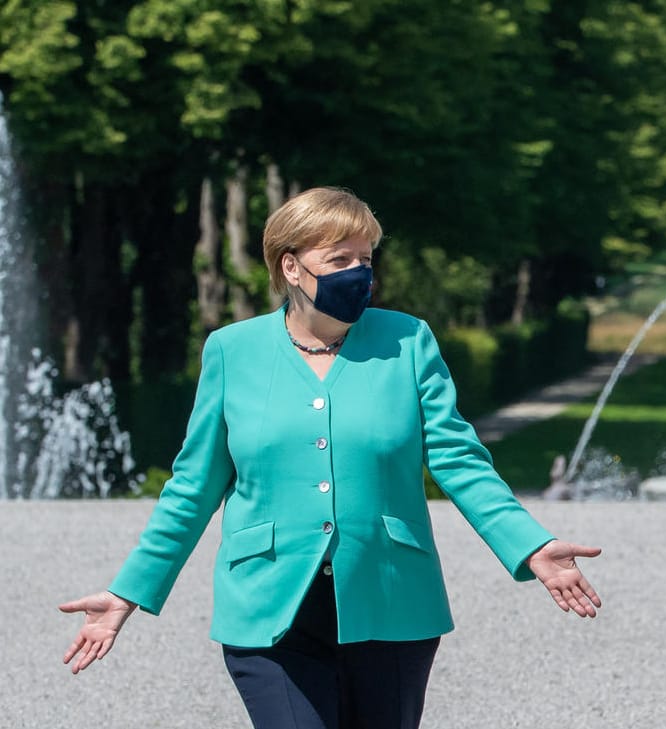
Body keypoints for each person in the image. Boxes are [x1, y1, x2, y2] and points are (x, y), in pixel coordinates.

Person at [59, 187, 602, 728]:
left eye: (365, 259)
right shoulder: (231, 350)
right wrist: (128, 591)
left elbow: (459, 458)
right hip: (268, 610)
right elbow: (193, 486)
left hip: (391, 603)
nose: (357, 273)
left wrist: (529, 543)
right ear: (291, 267)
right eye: (339, 260)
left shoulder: (409, 340)